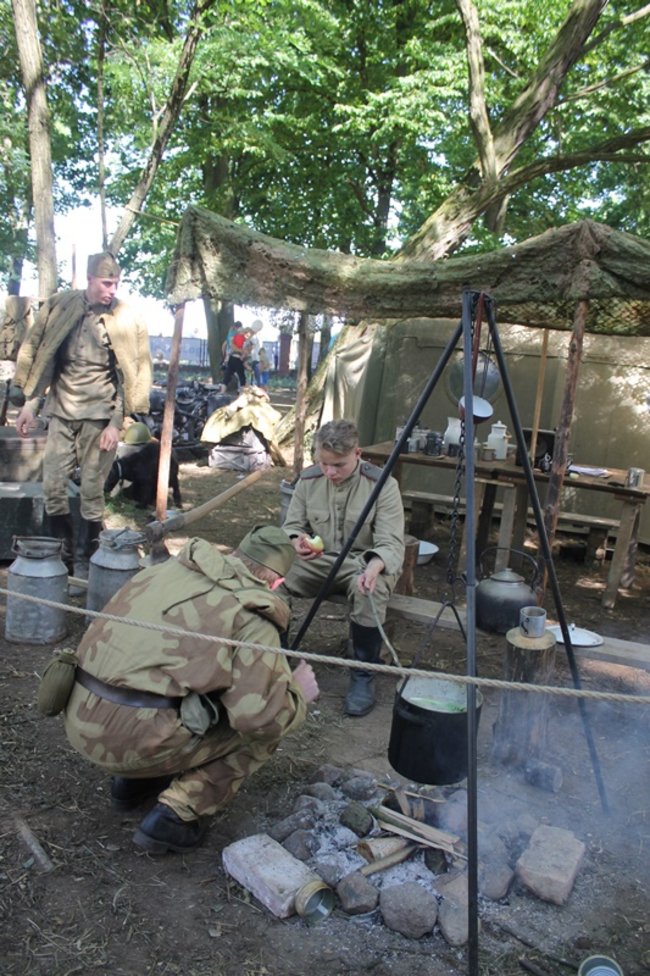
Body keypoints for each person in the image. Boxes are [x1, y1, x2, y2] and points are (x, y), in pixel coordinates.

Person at [61, 524, 319, 854]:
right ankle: (176, 815)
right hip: (133, 742)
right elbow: (259, 720)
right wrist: (296, 693)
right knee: (264, 727)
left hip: (80, 717)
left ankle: (133, 783)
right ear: (277, 582)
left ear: (235, 555)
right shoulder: (251, 616)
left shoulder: (162, 573)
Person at [10, 252, 152, 584]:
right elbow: (45, 357)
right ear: (89, 280)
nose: (111, 289)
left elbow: (127, 376)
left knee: (91, 491)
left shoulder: (124, 318)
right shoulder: (62, 307)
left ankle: (89, 562)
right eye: (106, 283)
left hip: (100, 417)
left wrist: (116, 424)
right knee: (53, 488)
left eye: (116, 283)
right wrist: (30, 405)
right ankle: (65, 561)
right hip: (60, 411)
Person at [281, 419, 404, 717]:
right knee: (272, 581)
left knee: (369, 592)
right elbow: (292, 526)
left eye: (339, 465)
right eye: (324, 463)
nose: (330, 472)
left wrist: (375, 567)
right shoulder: (309, 481)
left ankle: (362, 676)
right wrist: (297, 540)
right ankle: (277, 663)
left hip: (361, 562)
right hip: (316, 562)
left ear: (358, 453)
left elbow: (390, 542)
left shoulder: (383, 485)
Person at [220, 320, 247, 391]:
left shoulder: (230, 334)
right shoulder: (237, 335)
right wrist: (242, 352)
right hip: (237, 357)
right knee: (241, 376)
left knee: (227, 376)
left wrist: (224, 355)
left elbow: (224, 344)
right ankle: (242, 392)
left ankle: (221, 392)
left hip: (229, 357)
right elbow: (236, 346)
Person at [245, 319, 263, 386]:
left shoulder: (254, 338)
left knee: (256, 376)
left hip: (254, 359)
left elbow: (251, 346)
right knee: (254, 376)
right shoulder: (255, 337)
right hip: (254, 359)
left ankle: (257, 388)